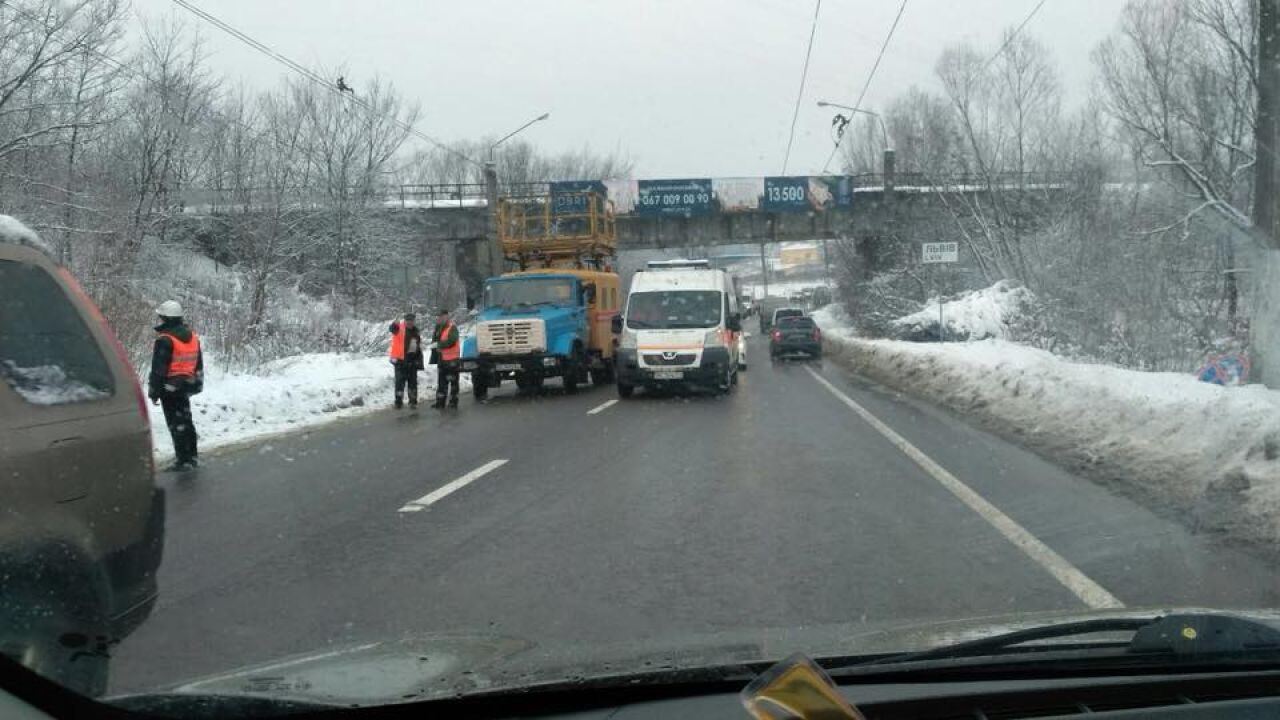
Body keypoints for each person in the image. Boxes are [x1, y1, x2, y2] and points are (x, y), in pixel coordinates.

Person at [148, 300, 203, 471]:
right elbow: (198, 364)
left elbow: (158, 370)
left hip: (170, 388)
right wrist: (196, 383)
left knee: (175, 423)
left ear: (165, 318)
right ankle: (192, 456)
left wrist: (154, 391)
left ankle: (183, 460)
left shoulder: (165, 340)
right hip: (186, 385)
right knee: (186, 420)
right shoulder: (193, 337)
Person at [388, 312, 424, 409]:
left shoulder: (416, 331)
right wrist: (394, 323)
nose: (409, 322)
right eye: (408, 320)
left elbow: (417, 346)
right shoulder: (399, 328)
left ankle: (413, 402)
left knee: (412, 383)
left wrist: (418, 359)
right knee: (399, 384)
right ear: (405, 321)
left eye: (411, 320)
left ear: (414, 321)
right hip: (400, 361)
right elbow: (392, 328)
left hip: (412, 360)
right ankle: (398, 402)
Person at [431, 308, 460, 409]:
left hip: (452, 360)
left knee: (453, 382)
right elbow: (436, 341)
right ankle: (440, 402)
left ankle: (453, 402)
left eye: (442, 316)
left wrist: (438, 344)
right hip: (442, 359)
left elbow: (452, 340)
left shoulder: (452, 327)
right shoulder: (438, 328)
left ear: (447, 316)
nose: (440, 318)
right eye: (439, 316)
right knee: (441, 383)